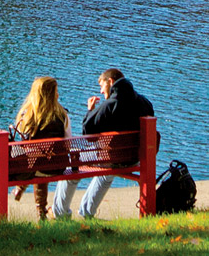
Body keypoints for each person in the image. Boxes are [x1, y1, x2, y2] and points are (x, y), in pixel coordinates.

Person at [51, 68, 154, 219]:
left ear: (110, 82)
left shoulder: (109, 105)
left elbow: (88, 135)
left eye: (101, 86)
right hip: (134, 158)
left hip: (112, 158)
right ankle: (87, 212)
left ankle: (60, 214)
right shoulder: (144, 102)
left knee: (71, 166)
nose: (100, 91)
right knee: (107, 173)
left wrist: (90, 110)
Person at [13, 76, 71, 221]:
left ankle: (28, 196)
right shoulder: (63, 115)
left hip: (33, 167)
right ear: (54, 94)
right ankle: (40, 210)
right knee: (44, 160)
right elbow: (68, 144)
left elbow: (23, 144)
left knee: (37, 162)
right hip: (58, 166)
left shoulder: (25, 115)